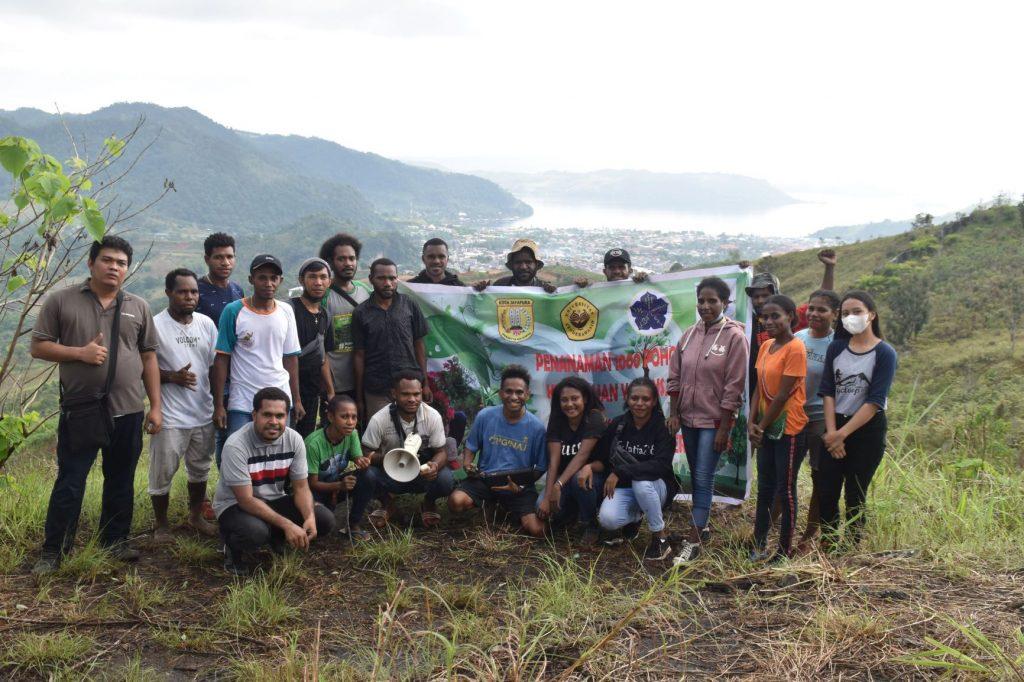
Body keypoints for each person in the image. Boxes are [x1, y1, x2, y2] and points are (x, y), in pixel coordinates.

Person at [30, 236, 162, 575]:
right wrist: (79, 353)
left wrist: (156, 406)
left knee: (120, 478)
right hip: (82, 409)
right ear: (91, 263)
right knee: (71, 480)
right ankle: (54, 551)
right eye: (107, 260)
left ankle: (115, 540)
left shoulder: (137, 305)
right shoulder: (62, 301)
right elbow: (39, 347)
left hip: (129, 408)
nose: (114, 267)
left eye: (120, 263)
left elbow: (148, 357)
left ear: (127, 269)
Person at [667, 276, 748, 564]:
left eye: (712, 301)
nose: (705, 306)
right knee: (698, 474)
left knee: (703, 476)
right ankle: (703, 525)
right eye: (701, 300)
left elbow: (734, 386)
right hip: (688, 418)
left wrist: (725, 427)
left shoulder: (735, 338)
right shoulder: (688, 334)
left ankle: (694, 539)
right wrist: (674, 412)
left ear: (725, 303)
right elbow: (674, 377)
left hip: (714, 421)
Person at [214, 387, 335, 576]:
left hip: (274, 499)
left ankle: (274, 535)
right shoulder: (236, 445)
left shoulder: (294, 439)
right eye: (267, 415)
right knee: (255, 532)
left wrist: (309, 516)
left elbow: (301, 487)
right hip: (235, 505)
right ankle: (231, 546)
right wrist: (287, 524)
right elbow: (245, 500)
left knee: (324, 519)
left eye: (280, 416)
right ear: (254, 415)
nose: (274, 422)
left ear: (287, 416)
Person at [817, 290, 897, 551]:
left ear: (871, 315)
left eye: (857, 312)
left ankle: (851, 547)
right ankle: (828, 543)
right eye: (845, 313)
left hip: (867, 431)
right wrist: (832, 433)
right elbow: (828, 390)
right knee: (827, 490)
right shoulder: (837, 347)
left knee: (855, 492)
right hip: (835, 424)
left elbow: (875, 401)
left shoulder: (885, 353)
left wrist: (841, 435)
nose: (850, 317)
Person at [149, 268, 219, 543]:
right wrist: (170, 377)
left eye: (194, 292)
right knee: (162, 472)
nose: (189, 297)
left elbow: (214, 367)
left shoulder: (206, 324)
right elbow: (145, 367)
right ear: (169, 293)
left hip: (203, 411)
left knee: (200, 468)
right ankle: (161, 525)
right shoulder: (155, 325)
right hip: (170, 416)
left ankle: (195, 516)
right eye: (182, 291)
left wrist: (218, 405)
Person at [212, 255, 302, 450]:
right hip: (243, 401)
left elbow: (291, 359)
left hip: (280, 399)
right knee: (237, 454)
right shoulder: (233, 311)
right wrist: (219, 405)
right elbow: (221, 360)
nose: (268, 283)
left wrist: (296, 399)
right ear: (251, 279)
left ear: (281, 281)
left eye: (273, 278)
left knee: (278, 455)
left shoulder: (286, 311)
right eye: (262, 277)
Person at [448, 365, 547, 537]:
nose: (513, 397)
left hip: (518, 487)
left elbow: (540, 467)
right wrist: (467, 464)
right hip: (486, 479)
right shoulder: (485, 416)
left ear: (527, 394)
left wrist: (521, 485)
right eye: (508, 391)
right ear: (501, 393)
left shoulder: (537, 428)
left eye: (519, 392)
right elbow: (471, 447)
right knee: (456, 502)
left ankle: (503, 509)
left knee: (538, 530)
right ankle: (490, 504)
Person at [749, 294, 808, 562]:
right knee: (765, 488)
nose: (769, 321)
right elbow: (759, 388)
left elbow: (783, 395)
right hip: (764, 426)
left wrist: (760, 426)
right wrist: (752, 422)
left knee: (785, 490)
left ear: (790, 317)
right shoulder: (766, 346)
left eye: (776, 316)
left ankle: (783, 551)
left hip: (788, 428)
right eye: (765, 316)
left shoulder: (796, 348)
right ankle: (758, 544)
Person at [593, 375, 677, 561]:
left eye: (645, 399)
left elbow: (660, 466)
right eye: (634, 398)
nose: (639, 403)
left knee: (642, 483)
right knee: (608, 519)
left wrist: (621, 472)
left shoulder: (663, 427)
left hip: (656, 487)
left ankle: (660, 537)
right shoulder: (618, 425)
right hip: (627, 488)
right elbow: (603, 457)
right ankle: (637, 517)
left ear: (654, 401)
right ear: (627, 399)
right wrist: (587, 467)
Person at [362, 370, 451, 528]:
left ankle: (429, 503)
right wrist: (389, 459)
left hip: (421, 473)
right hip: (391, 474)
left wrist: (434, 466)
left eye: (416, 394)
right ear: (394, 394)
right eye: (405, 394)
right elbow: (365, 452)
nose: (412, 399)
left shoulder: (433, 416)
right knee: (366, 475)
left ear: (422, 393)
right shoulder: (379, 419)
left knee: (445, 480)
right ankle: (387, 503)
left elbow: (441, 451)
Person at [196, 232, 245, 518]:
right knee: (210, 438)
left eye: (229, 257)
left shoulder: (237, 290)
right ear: (207, 259)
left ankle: (229, 491)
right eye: (218, 257)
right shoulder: (198, 291)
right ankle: (207, 498)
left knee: (229, 437)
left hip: (234, 377)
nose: (225, 262)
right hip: (205, 377)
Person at [744, 249, 836, 398]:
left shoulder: (790, 318)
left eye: (766, 295)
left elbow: (823, 297)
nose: (760, 300)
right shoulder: (746, 323)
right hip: (754, 393)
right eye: (756, 296)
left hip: (784, 395)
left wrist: (829, 268)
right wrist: (742, 273)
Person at [352, 258, 431, 419]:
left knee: (413, 437)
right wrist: (359, 398)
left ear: (397, 279)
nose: (387, 283)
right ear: (371, 279)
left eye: (392, 278)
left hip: (409, 385)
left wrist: (425, 384)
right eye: (381, 278)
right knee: (381, 436)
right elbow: (359, 355)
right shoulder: (361, 313)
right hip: (376, 388)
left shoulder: (409, 305)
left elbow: (419, 345)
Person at [794, 289, 840, 550]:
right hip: (794, 417)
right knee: (785, 476)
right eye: (811, 308)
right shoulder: (798, 338)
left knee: (819, 478)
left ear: (834, 314)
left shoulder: (837, 345)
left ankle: (809, 534)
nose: (814, 314)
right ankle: (770, 527)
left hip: (822, 420)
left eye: (822, 310)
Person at [537, 377, 606, 546]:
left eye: (575, 398)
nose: (569, 404)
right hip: (564, 479)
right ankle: (569, 516)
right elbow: (554, 461)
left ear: (585, 399)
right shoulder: (557, 420)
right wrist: (547, 496)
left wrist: (558, 485)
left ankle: (591, 524)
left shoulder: (594, 417)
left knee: (578, 480)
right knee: (540, 505)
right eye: (564, 400)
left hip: (593, 477)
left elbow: (582, 455)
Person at [304, 394, 373, 541]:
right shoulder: (313, 444)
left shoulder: (352, 434)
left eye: (354, 417)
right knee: (325, 523)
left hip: (336, 485)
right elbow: (312, 483)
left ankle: (353, 525)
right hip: (313, 492)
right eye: (344, 417)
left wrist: (363, 462)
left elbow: (357, 458)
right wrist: (339, 486)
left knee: (369, 476)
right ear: (330, 417)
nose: (350, 422)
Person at [319, 233, 370, 409]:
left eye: (352, 258)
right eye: (341, 259)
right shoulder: (323, 295)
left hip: (364, 379)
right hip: (336, 383)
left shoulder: (365, 291)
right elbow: (320, 346)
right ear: (330, 262)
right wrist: (329, 388)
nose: (348, 263)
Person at [289, 258, 336, 437]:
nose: (318, 282)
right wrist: (296, 399)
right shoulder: (289, 310)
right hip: (287, 391)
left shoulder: (325, 315)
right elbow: (286, 357)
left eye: (323, 277)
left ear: (329, 281)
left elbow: (322, 357)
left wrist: (331, 392)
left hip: (311, 392)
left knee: (305, 441)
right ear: (302, 280)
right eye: (312, 277)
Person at [473, 239, 557, 293]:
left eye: (528, 262)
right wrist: (480, 293)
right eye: (518, 262)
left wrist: (553, 297)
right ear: (512, 265)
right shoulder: (501, 286)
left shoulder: (544, 290)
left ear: (536, 265)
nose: (523, 267)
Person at [573, 248, 650, 287]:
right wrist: (582, 289)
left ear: (630, 270)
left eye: (621, 267)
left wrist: (648, 282)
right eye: (612, 267)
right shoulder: (597, 294)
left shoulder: (639, 289)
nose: (617, 271)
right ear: (605, 271)